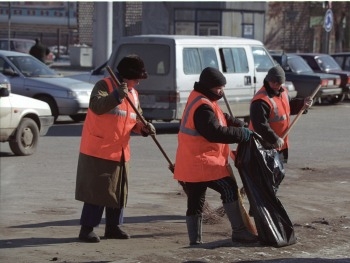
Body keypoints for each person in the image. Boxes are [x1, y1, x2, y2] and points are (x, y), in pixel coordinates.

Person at [75, 54, 156, 243]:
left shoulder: (134, 93)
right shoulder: (104, 85)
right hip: (99, 148)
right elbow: (97, 106)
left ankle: (113, 227)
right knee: (97, 192)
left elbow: (134, 119)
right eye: (136, 79)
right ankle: (87, 229)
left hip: (120, 149)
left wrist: (144, 128)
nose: (138, 83)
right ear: (127, 76)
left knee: (118, 190)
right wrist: (117, 95)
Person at [174, 67, 258, 246]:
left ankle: (195, 241)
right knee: (229, 189)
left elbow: (220, 117)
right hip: (204, 162)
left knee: (195, 200)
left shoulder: (201, 98)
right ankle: (240, 231)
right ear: (209, 87)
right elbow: (214, 131)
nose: (222, 91)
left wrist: (238, 124)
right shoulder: (203, 106)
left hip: (191, 162)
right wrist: (240, 134)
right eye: (219, 88)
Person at [249, 64, 313, 163]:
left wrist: (302, 104)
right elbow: (260, 125)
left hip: (281, 143)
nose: (276, 86)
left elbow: (289, 105)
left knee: (278, 174)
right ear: (268, 80)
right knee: (266, 176)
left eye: (279, 83)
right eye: (274, 82)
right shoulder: (260, 101)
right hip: (264, 146)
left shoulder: (283, 93)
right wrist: (274, 139)